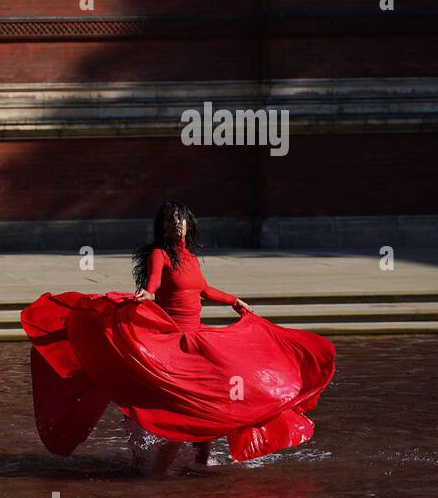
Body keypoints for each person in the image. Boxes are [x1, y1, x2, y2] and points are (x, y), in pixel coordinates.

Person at [21, 201, 335, 470]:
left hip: (200, 342)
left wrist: (235, 302)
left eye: (180, 220)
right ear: (163, 227)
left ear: (188, 224)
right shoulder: (160, 254)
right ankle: (153, 472)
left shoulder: (193, 259)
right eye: (170, 221)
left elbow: (205, 290)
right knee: (177, 406)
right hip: (173, 343)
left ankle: (199, 463)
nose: (177, 225)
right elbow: (155, 282)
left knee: (215, 400)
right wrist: (145, 293)